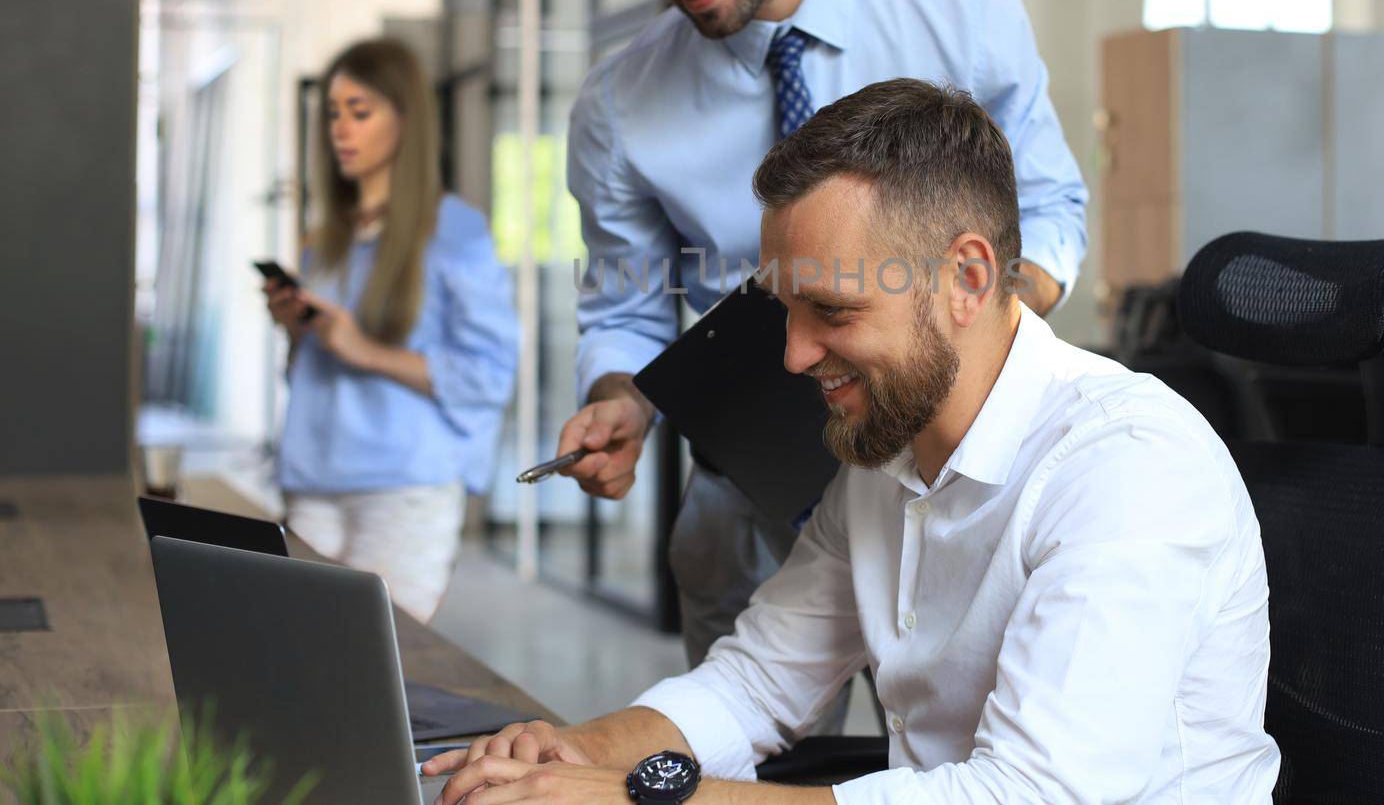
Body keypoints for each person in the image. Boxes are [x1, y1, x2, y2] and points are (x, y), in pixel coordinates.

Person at [425, 80, 1279, 803]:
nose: (793, 354)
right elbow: (757, 679)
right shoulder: (887, 446)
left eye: (831, 310)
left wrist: (639, 794)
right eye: (783, 308)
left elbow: (1026, 795)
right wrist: (576, 752)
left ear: (967, 279)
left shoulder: (1129, 464)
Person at [555, 0, 1091, 677]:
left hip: (953, 467)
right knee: (743, 735)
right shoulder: (617, 104)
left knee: (956, 754)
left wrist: (963, 322)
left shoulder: (958, 5)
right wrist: (619, 402)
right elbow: (627, 301)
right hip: (746, 487)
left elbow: (1046, 208)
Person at [264, 37, 519, 623]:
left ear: (406, 120)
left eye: (360, 112)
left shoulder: (457, 232)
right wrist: (297, 333)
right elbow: (311, 372)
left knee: (379, 665)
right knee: (304, 653)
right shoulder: (322, 238)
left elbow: (487, 376)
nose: (341, 131)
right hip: (312, 478)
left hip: (403, 491)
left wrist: (364, 350)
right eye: (333, 113)